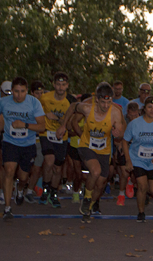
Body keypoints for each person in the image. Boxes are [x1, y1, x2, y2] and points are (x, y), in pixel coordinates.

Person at [64, 83, 125, 222]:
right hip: (87, 146)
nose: (106, 106)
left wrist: (117, 133)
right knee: (95, 172)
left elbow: (120, 132)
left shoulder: (115, 112)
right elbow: (73, 106)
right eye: (103, 102)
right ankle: (86, 197)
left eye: (109, 102)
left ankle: (88, 208)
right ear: (97, 99)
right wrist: (63, 125)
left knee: (101, 183)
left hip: (104, 150)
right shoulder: (87, 108)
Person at [0, 77, 46, 221]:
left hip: (28, 144)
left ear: (27, 91)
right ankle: (7, 208)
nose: (19, 95)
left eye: (22, 91)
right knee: (9, 171)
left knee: (23, 177)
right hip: (10, 142)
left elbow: (42, 126)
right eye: (16, 91)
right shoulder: (3, 102)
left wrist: (25, 125)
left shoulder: (34, 103)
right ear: (12, 91)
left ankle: (20, 189)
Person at [122, 96, 153, 222]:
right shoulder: (135, 124)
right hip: (138, 159)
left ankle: (144, 196)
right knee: (142, 186)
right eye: (150, 107)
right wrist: (128, 160)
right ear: (144, 109)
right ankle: (141, 212)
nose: (152, 110)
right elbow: (124, 141)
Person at [38, 72, 77, 208]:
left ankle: (54, 193)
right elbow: (37, 114)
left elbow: (72, 122)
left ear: (67, 86)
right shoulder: (44, 98)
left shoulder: (71, 101)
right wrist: (44, 115)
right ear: (54, 85)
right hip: (46, 133)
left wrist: (59, 120)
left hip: (62, 137)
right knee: (49, 161)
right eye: (58, 85)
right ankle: (45, 189)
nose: (60, 88)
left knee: (58, 168)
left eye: (63, 85)